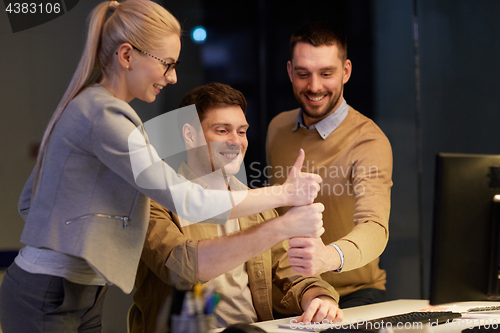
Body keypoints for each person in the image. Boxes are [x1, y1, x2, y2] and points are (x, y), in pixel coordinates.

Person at [0, 2, 322, 331]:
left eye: (241, 131)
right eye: (167, 64)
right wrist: (285, 194)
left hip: (80, 289)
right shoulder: (105, 115)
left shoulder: (94, 108)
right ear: (126, 56)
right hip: (52, 290)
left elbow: (30, 202)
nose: (173, 77)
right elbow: (190, 204)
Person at [130, 82, 343, 333]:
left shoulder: (257, 204)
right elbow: (183, 268)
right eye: (222, 130)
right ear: (190, 135)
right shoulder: (154, 201)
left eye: (241, 132)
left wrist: (319, 298)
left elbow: (294, 274)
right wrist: (281, 224)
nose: (236, 142)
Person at [266, 22, 393, 311]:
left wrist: (328, 257)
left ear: (345, 71)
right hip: (289, 293)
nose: (314, 87)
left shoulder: (368, 140)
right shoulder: (278, 128)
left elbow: (374, 226)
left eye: (326, 74)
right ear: (289, 72)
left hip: (352, 294)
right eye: (303, 74)